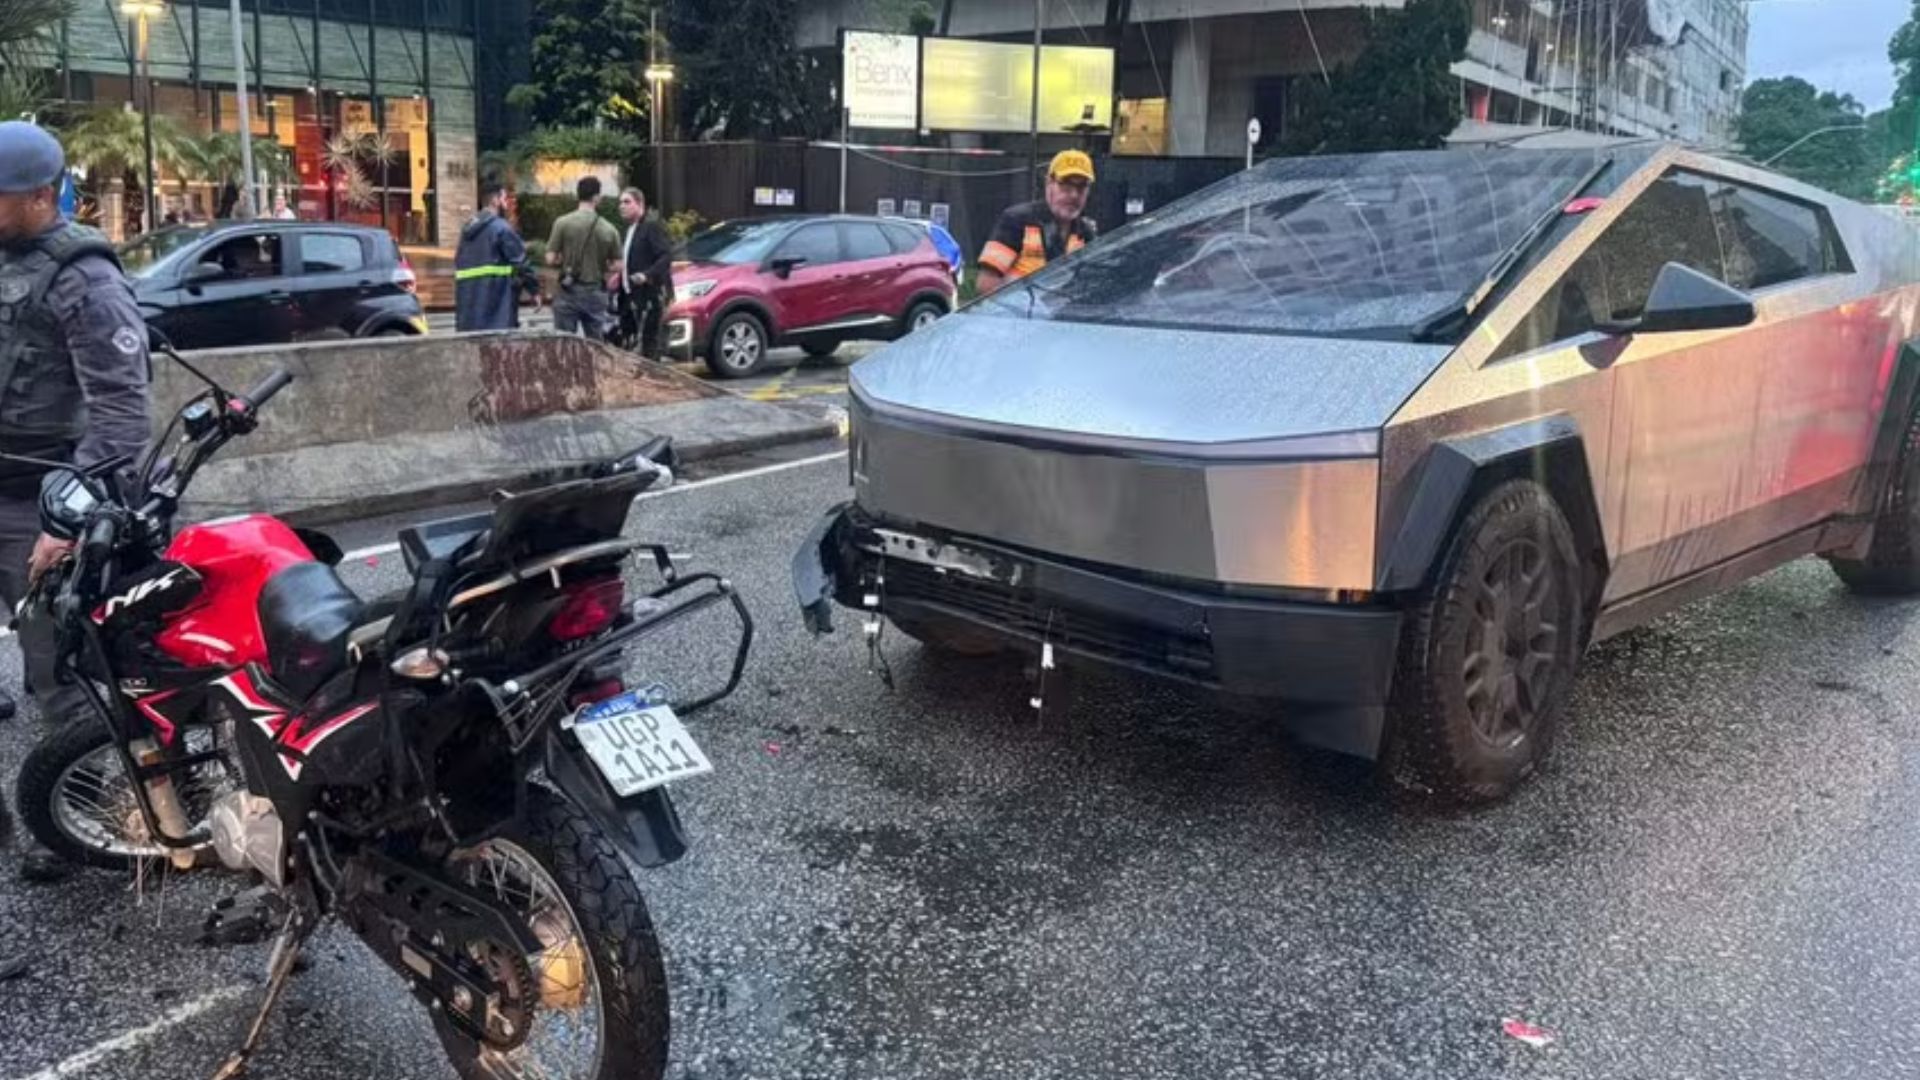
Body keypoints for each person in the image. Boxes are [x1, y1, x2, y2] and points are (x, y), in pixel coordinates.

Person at [0, 122, 153, 882]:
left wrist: (65, 522)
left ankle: (81, 819)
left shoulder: (82, 279)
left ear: (37, 195)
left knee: (58, 674)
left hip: (38, 500)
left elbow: (124, 416)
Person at [976, 149, 1099, 296]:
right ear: (1049, 183)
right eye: (1066, 185)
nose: (1074, 194)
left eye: (1081, 187)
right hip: (1017, 316)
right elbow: (986, 283)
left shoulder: (1085, 233)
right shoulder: (1018, 220)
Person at [453, 181, 541, 332]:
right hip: (498, 307)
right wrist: (534, 291)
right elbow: (521, 263)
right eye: (504, 198)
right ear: (495, 200)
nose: (506, 203)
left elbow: (459, 261)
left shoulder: (467, 230)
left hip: (469, 311)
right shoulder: (502, 228)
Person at [545, 176, 621, 340]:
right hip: (595, 293)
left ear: (578, 195)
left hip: (568, 291)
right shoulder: (609, 229)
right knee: (596, 345)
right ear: (596, 198)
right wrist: (603, 264)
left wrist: (563, 260)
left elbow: (550, 259)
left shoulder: (562, 223)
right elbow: (618, 265)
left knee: (564, 344)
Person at [613, 187, 674, 358]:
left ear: (640, 205)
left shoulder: (650, 227)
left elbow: (666, 256)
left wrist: (647, 275)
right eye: (620, 202)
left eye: (627, 202)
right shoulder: (629, 230)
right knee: (630, 343)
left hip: (648, 295)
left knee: (649, 345)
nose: (621, 206)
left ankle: (652, 380)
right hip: (629, 295)